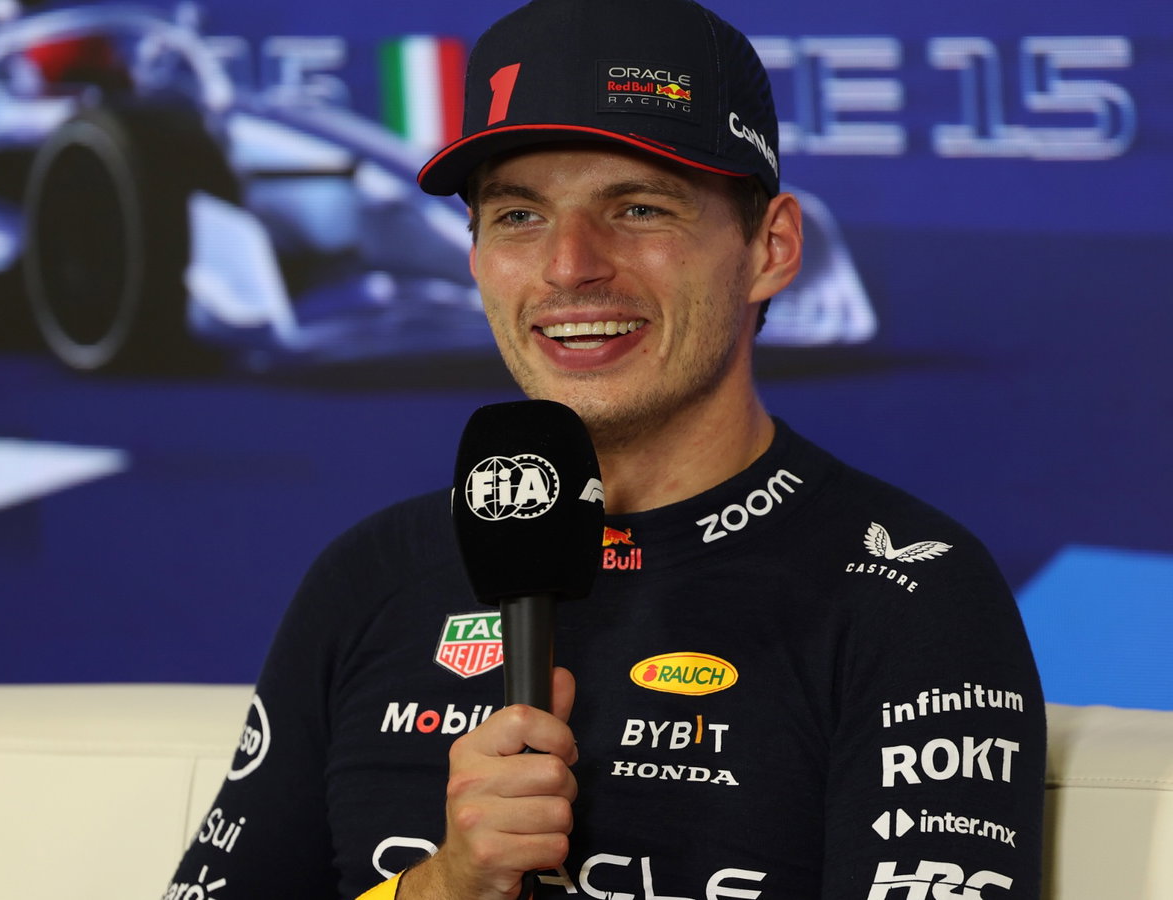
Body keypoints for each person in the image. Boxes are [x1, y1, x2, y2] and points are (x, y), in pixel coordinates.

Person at [166, 0, 1045, 897]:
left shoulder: (908, 590)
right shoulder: (372, 578)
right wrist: (449, 884)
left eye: (638, 208)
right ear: (472, 257)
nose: (570, 266)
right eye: (518, 218)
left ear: (771, 248)